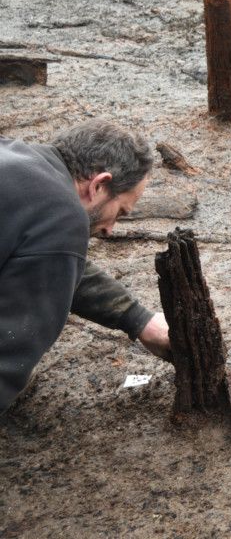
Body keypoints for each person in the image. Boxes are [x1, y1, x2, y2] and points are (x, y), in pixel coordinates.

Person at [0, 120, 171, 413]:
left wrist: (139, 319)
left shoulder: (16, 158)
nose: (111, 229)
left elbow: (51, 264)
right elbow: (9, 350)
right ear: (99, 185)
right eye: (120, 212)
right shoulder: (62, 216)